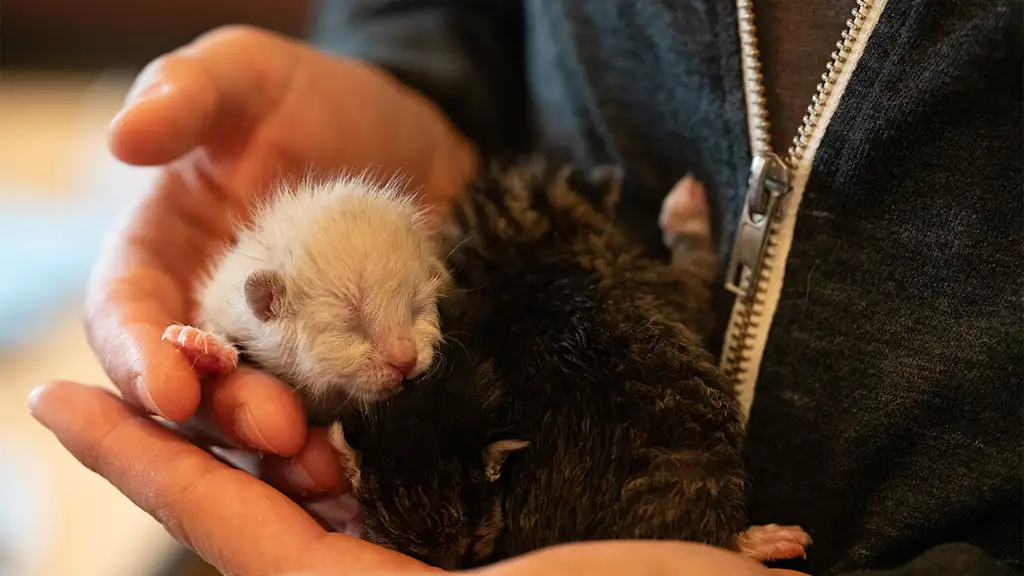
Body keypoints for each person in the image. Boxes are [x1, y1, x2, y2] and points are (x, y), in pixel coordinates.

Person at [28, 1, 1021, 574]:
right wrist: (414, 74)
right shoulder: (256, 307)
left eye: (420, 305)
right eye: (364, 325)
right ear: (269, 306)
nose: (411, 351)